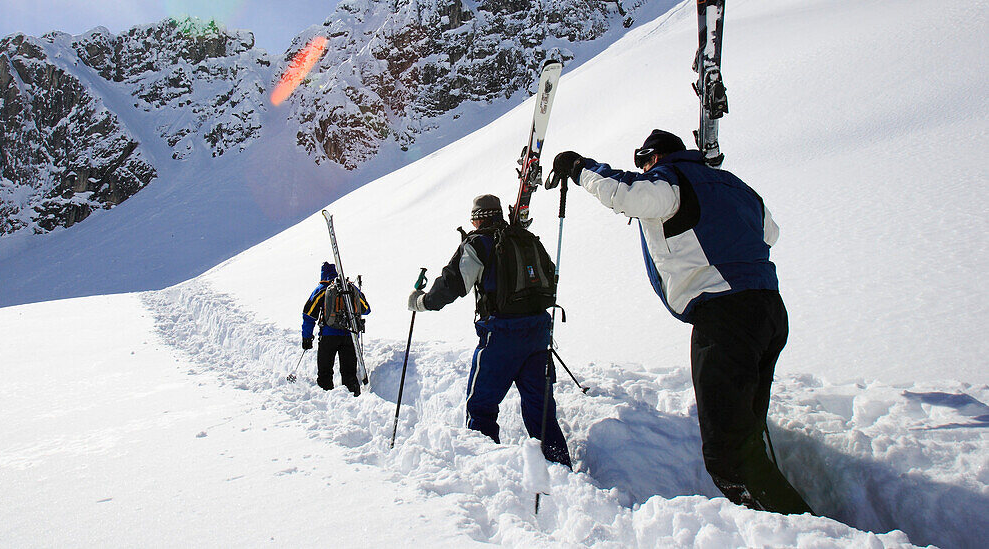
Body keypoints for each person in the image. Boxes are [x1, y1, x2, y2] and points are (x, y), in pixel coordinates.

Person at [551, 129, 812, 515]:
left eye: (643, 160)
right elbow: (770, 233)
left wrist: (580, 168)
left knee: (728, 457)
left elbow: (625, 194)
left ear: (655, 157)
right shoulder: (736, 185)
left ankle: (804, 533)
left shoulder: (669, 180)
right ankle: (782, 521)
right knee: (745, 433)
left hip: (725, 318)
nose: (641, 168)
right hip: (769, 310)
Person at [407, 194, 572, 468]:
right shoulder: (527, 238)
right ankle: (559, 469)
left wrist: (421, 301)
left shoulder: (478, 244)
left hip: (501, 336)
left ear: (478, 218)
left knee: (480, 406)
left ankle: (487, 471)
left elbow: (453, 284)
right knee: (541, 410)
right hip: (539, 333)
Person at [302, 262, 370, 397]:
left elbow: (308, 315)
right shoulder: (349, 288)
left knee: (325, 371)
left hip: (328, 336)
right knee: (349, 372)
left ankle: (326, 398)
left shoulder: (322, 289)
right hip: (350, 336)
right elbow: (366, 309)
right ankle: (353, 399)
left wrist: (306, 337)